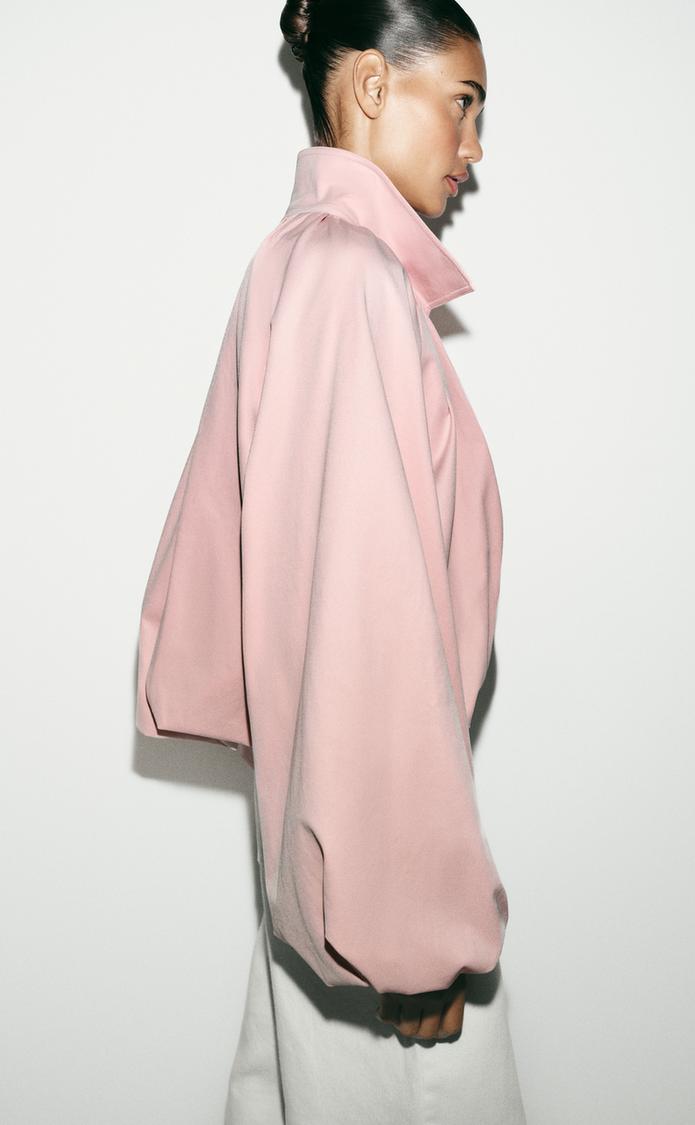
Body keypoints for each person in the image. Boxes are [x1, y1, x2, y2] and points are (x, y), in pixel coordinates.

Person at [135, 0, 527, 1121]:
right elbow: (367, 619)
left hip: (333, 844)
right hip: (377, 886)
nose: (474, 145)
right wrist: (411, 929)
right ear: (370, 87)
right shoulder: (351, 276)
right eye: (462, 103)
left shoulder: (302, 265)